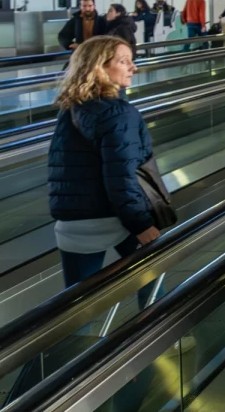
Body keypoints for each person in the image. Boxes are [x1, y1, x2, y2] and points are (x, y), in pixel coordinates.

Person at [48, 36, 161, 292]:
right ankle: (159, 329)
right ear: (99, 67)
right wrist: (141, 224)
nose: (134, 67)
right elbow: (122, 175)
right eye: (124, 61)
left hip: (73, 220)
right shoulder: (119, 113)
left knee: (77, 307)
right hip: (118, 217)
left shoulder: (70, 108)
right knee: (152, 292)